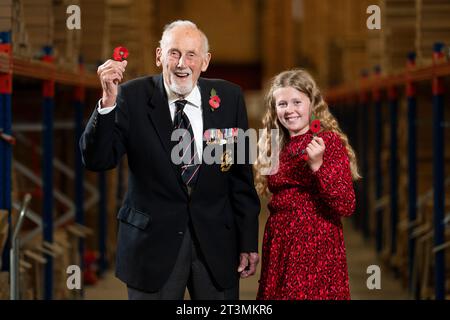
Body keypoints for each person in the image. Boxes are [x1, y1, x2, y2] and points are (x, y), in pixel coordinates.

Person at [80, 20, 260, 300]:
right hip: (151, 248)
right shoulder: (131, 96)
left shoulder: (229, 98)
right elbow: (97, 160)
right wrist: (107, 102)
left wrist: (248, 240)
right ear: (159, 56)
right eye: (174, 53)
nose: (182, 63)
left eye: (191, 54)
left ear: (205, 61)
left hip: (215, 246)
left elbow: (241, 178)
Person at [254, 69, 360, 300]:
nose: (289, 110)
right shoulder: (275, 143)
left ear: (312, 103)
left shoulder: (326, 141)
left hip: (315, 243)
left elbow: (346, 204)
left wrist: (318, 166)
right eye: (282, 103)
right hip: (280, 241)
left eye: (297, 102)